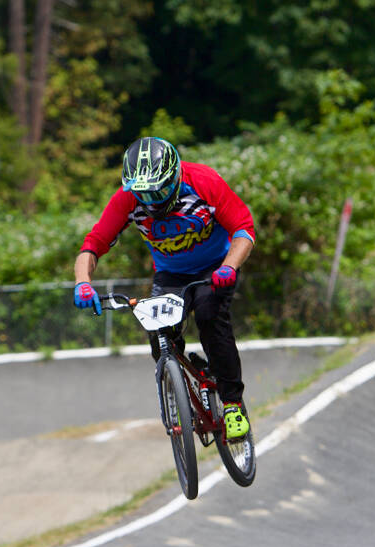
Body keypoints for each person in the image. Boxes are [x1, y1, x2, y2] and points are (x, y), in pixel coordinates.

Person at [71, 136, 255, 440]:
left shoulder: (204, 182)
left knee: (210, 318)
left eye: (160, 189)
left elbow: (243, 229)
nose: (153, 199)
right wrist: (83, 283)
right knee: (160, 336)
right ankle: (182, 391)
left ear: (176, 175)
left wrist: (229, 267)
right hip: (170, 275)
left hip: (215, 269)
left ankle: (233, 404)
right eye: (144, 192)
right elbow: (94, 244)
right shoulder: (127, 200)